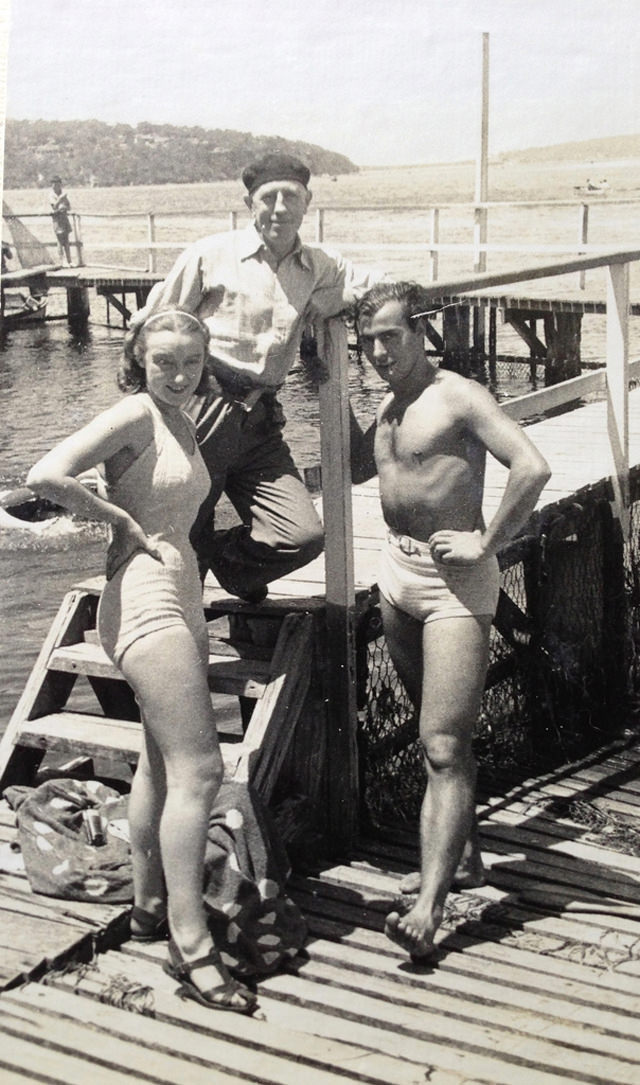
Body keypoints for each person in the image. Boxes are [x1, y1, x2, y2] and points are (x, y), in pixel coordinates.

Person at [26, 308, 257, 1014]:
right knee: (203, 767)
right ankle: (191, 946)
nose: (180, 375)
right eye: (165, 362)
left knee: (161, 760)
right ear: (139, 359)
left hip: (181, 590)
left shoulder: (182, 415)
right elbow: (46, 474)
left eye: (191, 361)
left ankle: (152, 906)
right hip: (144, 597)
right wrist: (119, 521)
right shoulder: (135, 411)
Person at [350, 282, 551, 960]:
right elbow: (364, 466)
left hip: (456, 584)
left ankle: (431, 908)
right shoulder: (385, 402)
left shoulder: (458, 395)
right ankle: (463, 861)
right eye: (366, 340)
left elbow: (532, 465)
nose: (378, 351)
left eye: (389, 336)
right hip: (398, 575)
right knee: (437, 737)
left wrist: (486, 542)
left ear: (421, 331)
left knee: (442, 745)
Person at [133, 152, 382, 603]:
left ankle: (224, 563)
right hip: (200, 406)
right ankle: (167, 612)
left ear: (309, 203)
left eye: (292, 197)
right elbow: (153, 324)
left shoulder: (322, 265)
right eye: (269, 197)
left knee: (301, 535)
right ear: (251, 203)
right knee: (177, 528)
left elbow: (387, 289)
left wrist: (342, 297)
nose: (280, 207)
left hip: (260, 417)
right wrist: (147, 408)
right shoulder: (211, 254)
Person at [49, 176, 73, 265]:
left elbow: (69, 207)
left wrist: (64, 206)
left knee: (66, 241)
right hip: (57, 220)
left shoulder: (63, 194)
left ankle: (69, 261)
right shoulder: (51, 195)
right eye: (53, 184)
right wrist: (60, 200)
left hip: (64, 219)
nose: (55, 186)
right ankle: (62, 262)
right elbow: (54, 207)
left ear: (60, 184)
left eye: (57, 184)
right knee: (60, 241)